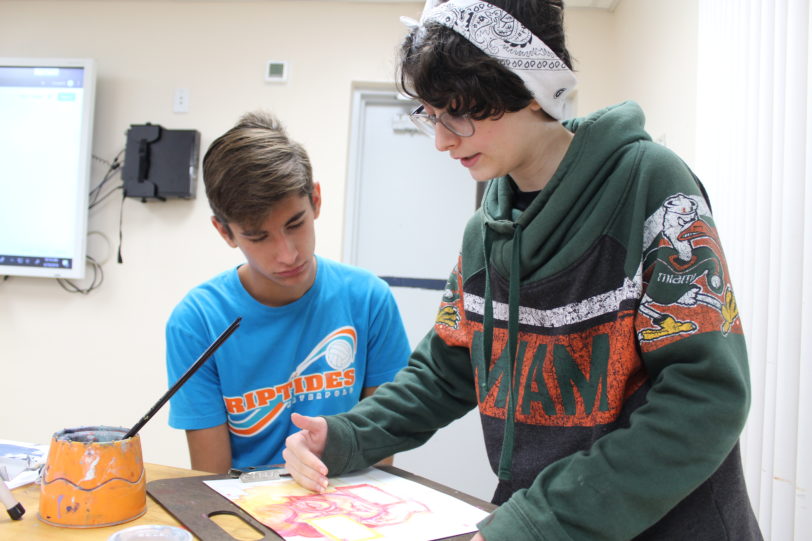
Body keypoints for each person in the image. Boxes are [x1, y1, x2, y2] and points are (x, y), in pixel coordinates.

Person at [283, 1, 763, 540]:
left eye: (457, 114)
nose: (442, 140)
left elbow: (705, 399)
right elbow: (446, 369)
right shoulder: (485, 231)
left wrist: (539, 522)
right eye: (430, 116)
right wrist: (345, 434)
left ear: (530, 88)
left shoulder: (651, 185)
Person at [165, 111, 411, 474]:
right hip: (246, 510)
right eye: (258, 236)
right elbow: (211, 482)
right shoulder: (197, 321)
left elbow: (380, 450)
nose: (288, 254)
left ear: (315, 200)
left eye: (295, 224)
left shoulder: (369, 299)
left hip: (348, 503)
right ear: (225, 232)